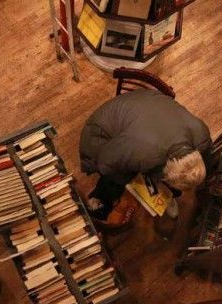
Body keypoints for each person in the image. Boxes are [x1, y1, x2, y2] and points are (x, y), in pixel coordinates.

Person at [79, 88, 211, 220]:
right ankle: (101, 200)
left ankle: (167, 192)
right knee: (116, 176)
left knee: (143, 165)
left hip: (146, 101)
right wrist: (127, 177)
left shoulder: (202, 135)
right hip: (99, 132)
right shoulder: (143, 152)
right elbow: (106, 162)